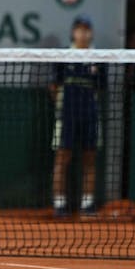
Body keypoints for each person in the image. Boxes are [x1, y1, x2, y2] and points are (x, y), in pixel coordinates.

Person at [50, 14, 106, 218]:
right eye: (79, 29)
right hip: (66, 115)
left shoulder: (98, 57)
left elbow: (101, 89)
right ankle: (59, 204)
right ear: (73, 32)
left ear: (91, 33)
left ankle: (87, 204)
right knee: (62, 158)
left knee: (89, 158)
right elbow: (54, 86)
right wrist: (64, 107)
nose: (83, 33)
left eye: (87, 29)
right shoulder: (64, 55)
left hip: (90, 115)